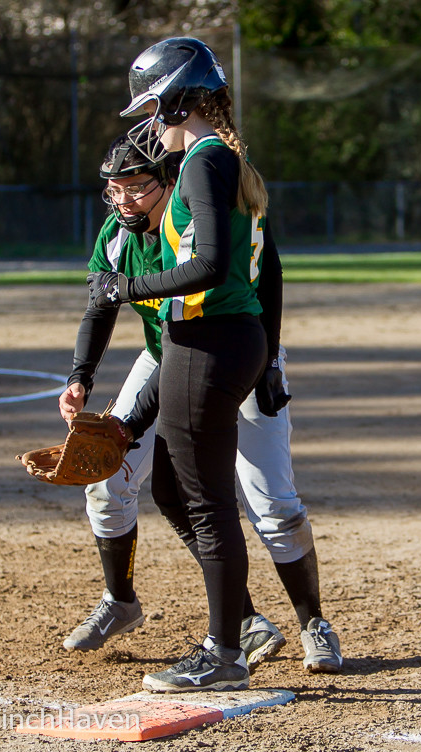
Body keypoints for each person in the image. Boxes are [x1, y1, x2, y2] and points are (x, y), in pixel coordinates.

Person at [83, 37, 340, 692]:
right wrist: (129, 421)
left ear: (176, 98)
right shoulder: (216, 157)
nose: (151, 123)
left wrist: (125, 290)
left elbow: (207, 267)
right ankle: (237, 633)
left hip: (210, 339)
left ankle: (225, 651)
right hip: (221, 339)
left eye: (154, 107)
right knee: (170, 486)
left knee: (210, 505)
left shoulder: (201, 160)